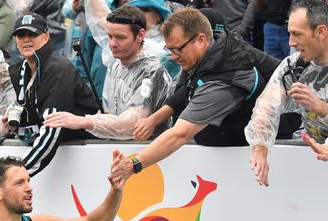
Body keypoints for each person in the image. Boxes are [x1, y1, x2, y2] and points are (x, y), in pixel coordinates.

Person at [112, 7, 268, 181]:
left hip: (255, 161)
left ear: (201, 40)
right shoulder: (209, 51)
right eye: (169, 49)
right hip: (228, 152)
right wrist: (155, 118)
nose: (172, 57)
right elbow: (181, 89)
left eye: (177, 49)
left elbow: (180, 134)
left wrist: (134, 164)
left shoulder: (224, 82)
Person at [43, 5, 172, 141]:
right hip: (119, 148)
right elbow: (98, 14)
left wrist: (85, 121)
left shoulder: (152, 72)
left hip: (153, 153)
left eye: (120, 38)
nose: (112, 44)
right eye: (110, 36)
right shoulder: (117, 64)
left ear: (140, 35)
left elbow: (134, 124)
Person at [245, 0, 328, 186]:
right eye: (289, 33)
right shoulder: (295, 65)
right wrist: (260, 148)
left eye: (297, 34)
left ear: (321, 31)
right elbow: (267, 106)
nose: (291, 42)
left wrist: (323, 108)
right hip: (310, 156)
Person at [7, 13, 99, 177]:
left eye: (32, 34)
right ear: (15, 40)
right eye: (21, 35)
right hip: (57, 151)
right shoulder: (17, 70)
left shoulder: (58, 68)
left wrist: (19, 174)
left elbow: (52, 128)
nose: (26, 39)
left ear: (46, 36)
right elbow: (33, 117)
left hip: (86, 155)